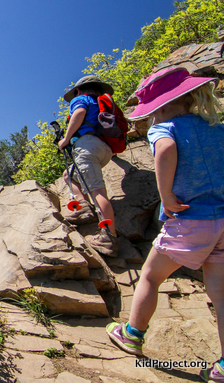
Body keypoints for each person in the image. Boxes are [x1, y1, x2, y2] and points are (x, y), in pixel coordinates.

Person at [105, 66, 224, 383]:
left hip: (190, 218)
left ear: (157, 106)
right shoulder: (217, 127)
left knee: (150, 275)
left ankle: (132, 334)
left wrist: (166, 195)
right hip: (223, 219)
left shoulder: (164, 128)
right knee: (221, 293)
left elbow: (168, 151)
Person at [59, 75, 119, 257]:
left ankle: (109, 238)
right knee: (68, 174)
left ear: (78, 90)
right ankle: (83, 207)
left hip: (86, 146)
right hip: (104, 148)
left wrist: (66, 139)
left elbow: (78, 114)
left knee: (98, 192)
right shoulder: (101, 103)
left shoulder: (81, 99)